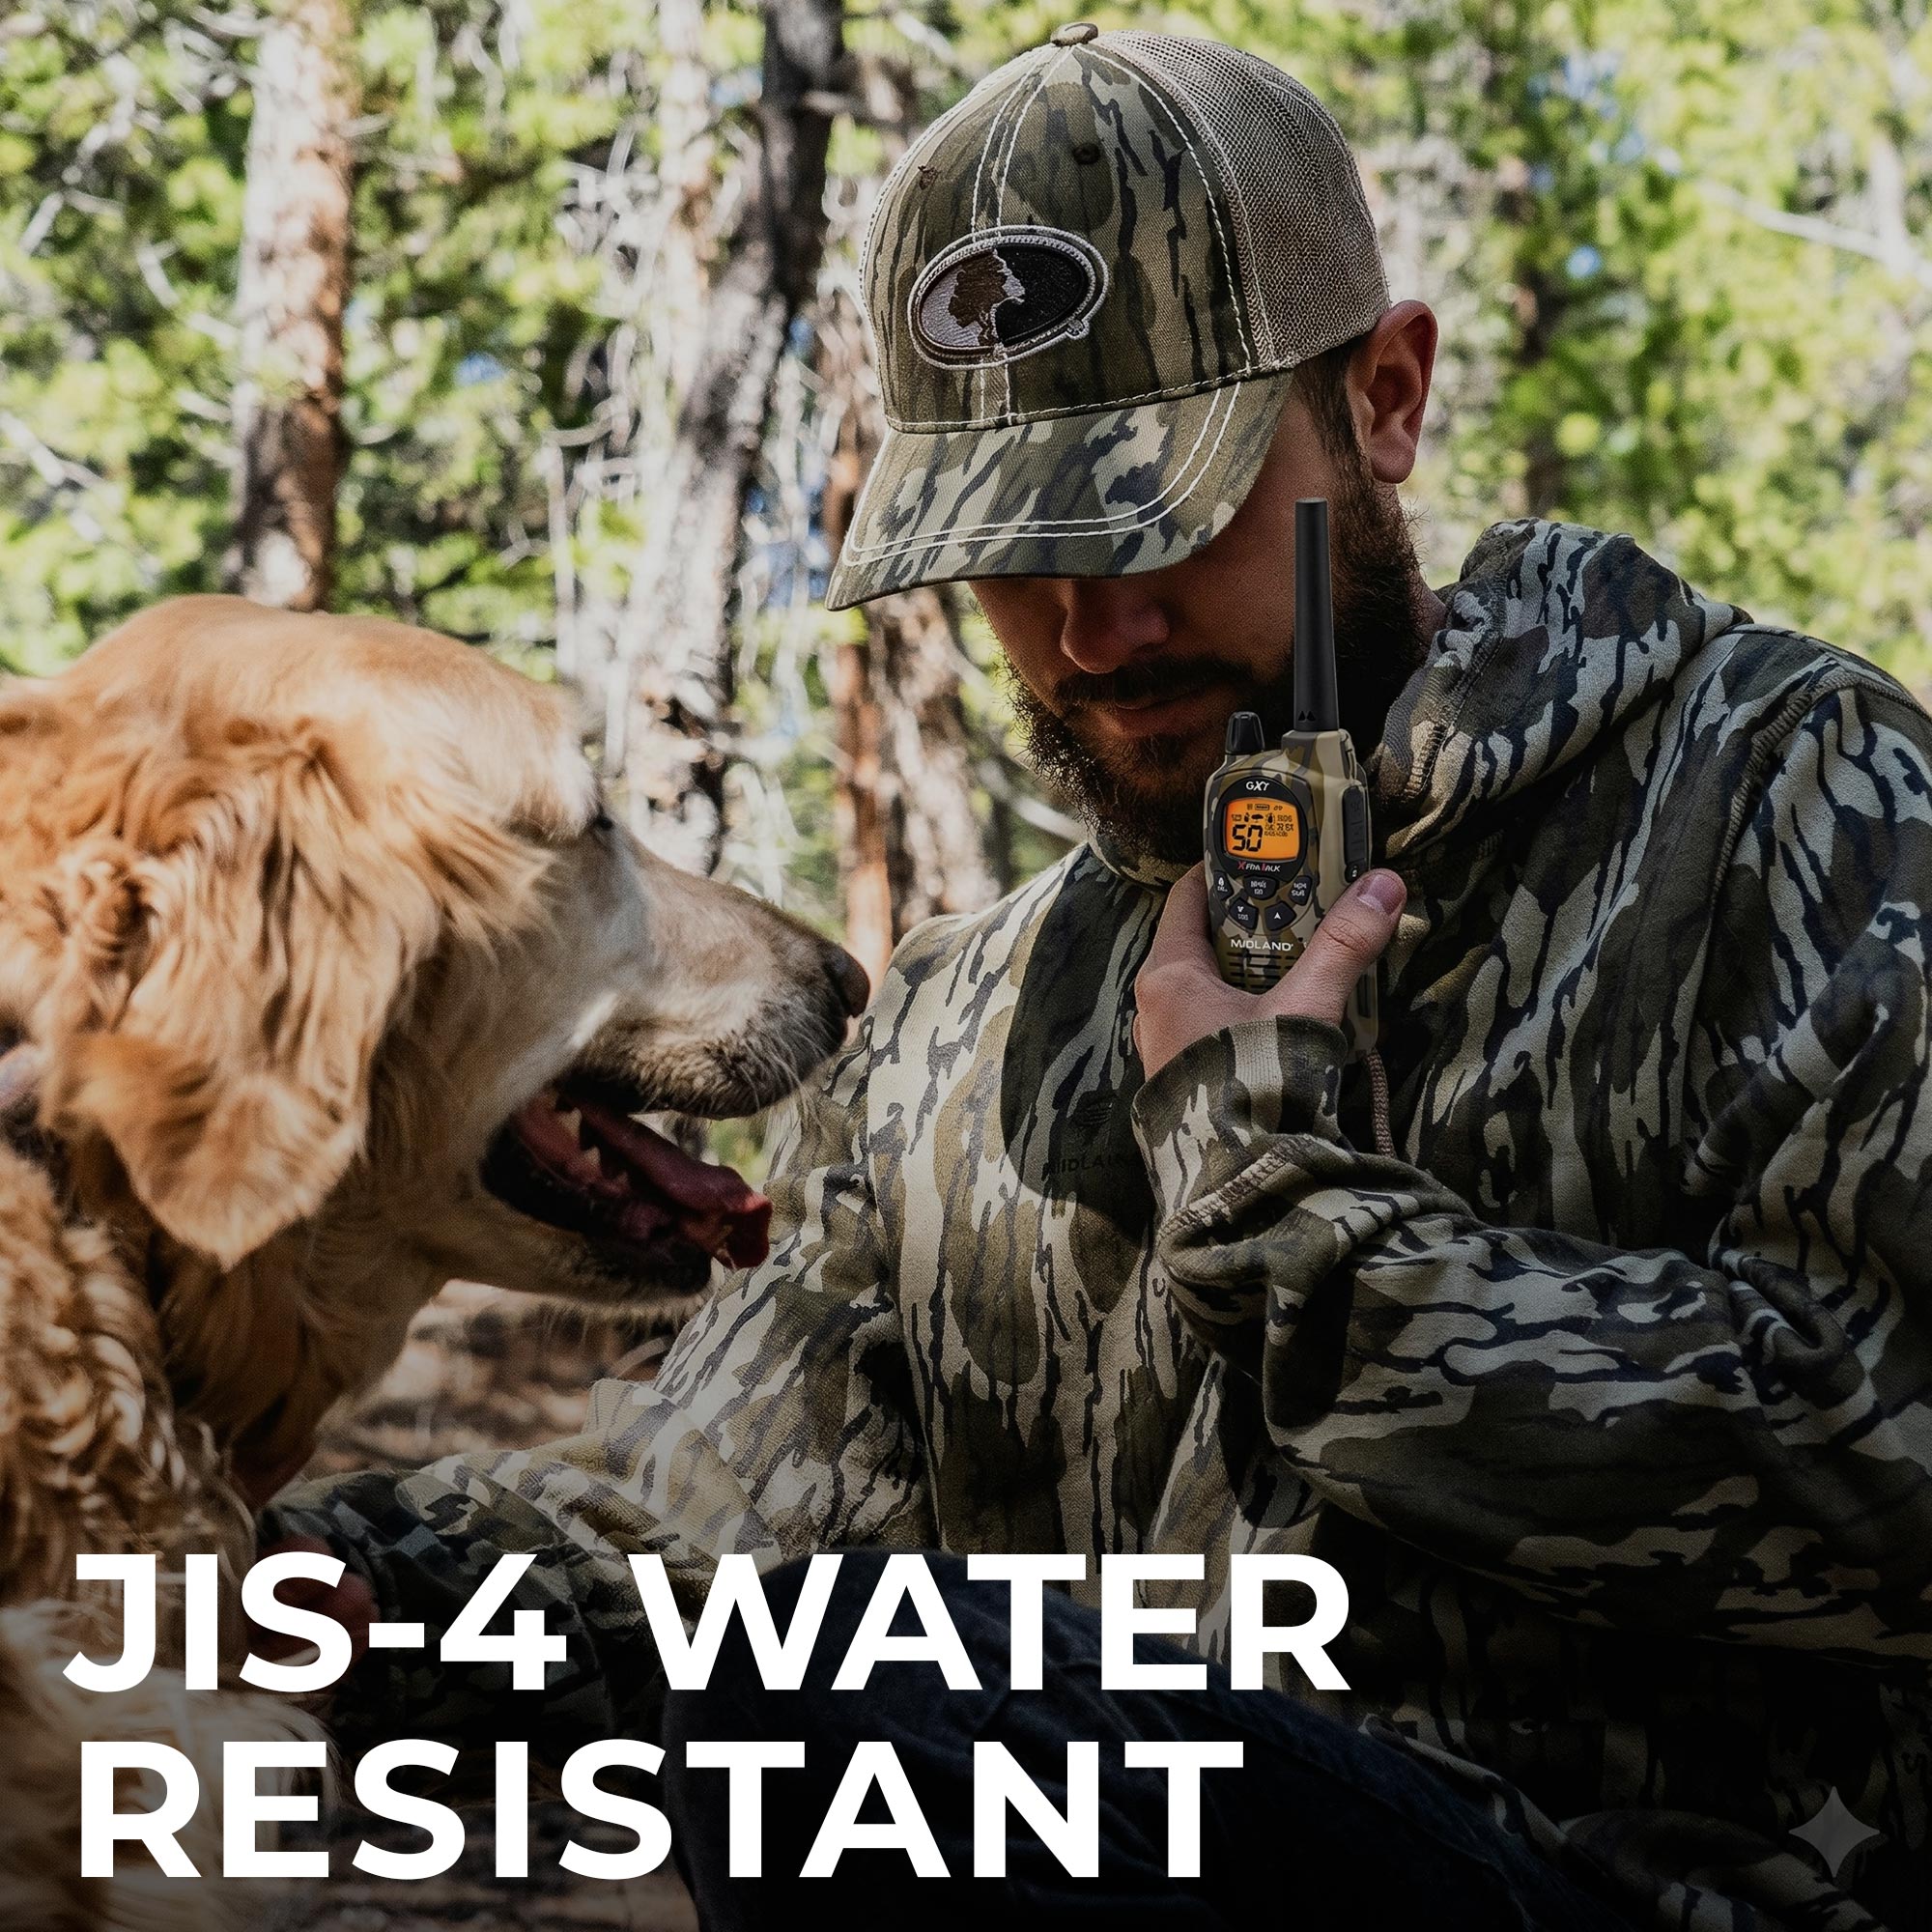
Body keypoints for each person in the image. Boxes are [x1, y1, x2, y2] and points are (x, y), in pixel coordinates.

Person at [270, 23, 1932, 1930]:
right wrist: (325, 1588)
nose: (1091, 629)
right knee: (822, 1677)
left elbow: (1884, 1468)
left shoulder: (1783, 796)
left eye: (1165, 515)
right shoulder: (957, 1036)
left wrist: (1277, 1211)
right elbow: (700, 1535)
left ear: (1384, 398)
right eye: (1015, 549)